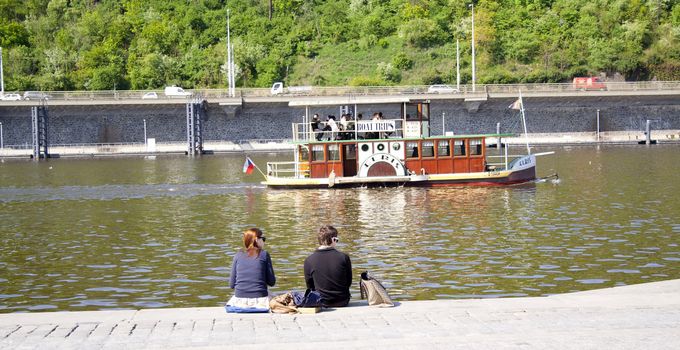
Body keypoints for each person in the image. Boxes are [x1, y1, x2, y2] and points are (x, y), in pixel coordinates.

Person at [227, 228, 276, 311]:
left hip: (239, 301)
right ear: (256, 239)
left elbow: (231, 285)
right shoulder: (264, 254)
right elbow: (272, 282)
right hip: (261, 300)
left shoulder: (238, 255)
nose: (264, 241)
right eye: (263, 239)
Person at [303, 225, 352, 307]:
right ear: (333, 239)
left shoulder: (309, 260)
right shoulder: (344, 257)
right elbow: (348, 282)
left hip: (321, 302)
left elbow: (310, 287)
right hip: (342, 301)